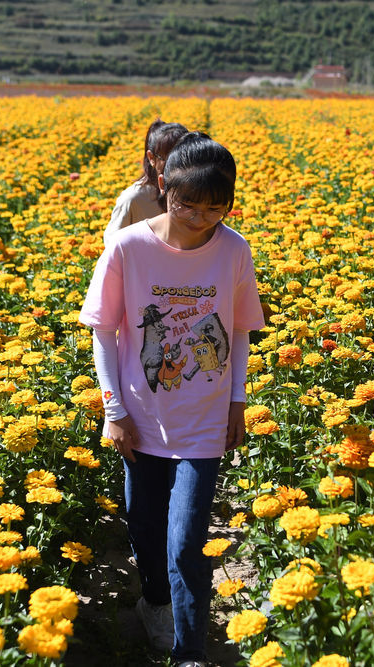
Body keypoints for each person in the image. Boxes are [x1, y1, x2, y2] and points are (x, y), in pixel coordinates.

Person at [80, 132, 264, 665]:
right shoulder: (129, 246)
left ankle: (189, 651)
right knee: (144, 527)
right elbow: (103, 331)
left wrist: (236, 402)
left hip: (204, 420)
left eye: (215, 208)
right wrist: (114, 410)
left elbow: (239, 331)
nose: (201, 218)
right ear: (164, 186)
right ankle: (155, 602)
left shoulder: (234, 248)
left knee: (186, 540)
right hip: (140, 417)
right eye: (188, 205)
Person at [103, 119, 188, 247]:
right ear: (151, 158)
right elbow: (113, 245)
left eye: (184, 158)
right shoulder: (133, 199)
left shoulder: (195, 194)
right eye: (168, 158)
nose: (176, 165)